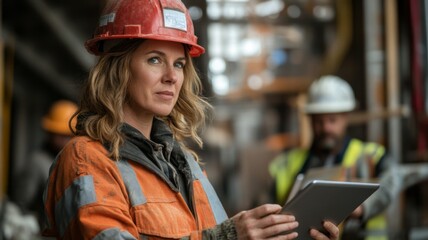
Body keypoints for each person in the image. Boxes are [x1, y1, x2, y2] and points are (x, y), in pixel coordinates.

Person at [42, 0, 340, 239]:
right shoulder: (85, 160)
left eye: (180, 64)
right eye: (154, 59)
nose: (172, 77)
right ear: (117, 69)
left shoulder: (185, 163)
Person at [269, 75, 393, 240]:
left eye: (332, 120)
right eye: (319, 121)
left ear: (346, 117)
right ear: (310, 120)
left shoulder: (371, 155)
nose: (326, 127)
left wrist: (362, 208)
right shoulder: (289, 163)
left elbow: (391, 183)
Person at [12, 100, 77, 228]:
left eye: (69, 135)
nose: (66, 140)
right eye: (61, 135)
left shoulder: (76, 164)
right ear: (50, 133)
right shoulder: (37, 163)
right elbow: (18, 208)